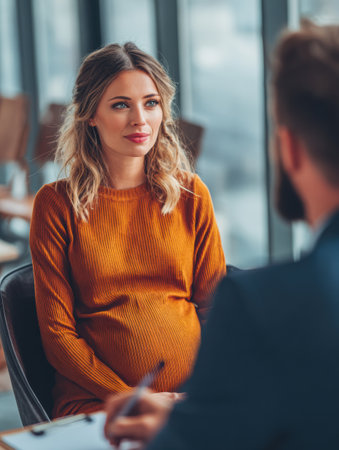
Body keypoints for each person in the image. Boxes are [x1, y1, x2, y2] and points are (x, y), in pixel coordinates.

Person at [104, 21, 339, 450]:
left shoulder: (264, 307)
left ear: (289, 149)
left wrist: (187, 424)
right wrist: (191, 415)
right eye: (121, 104)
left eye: (151, 103)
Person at [29, 42, 226, 418]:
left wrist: (207, 388)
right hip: (99, 401)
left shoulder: (191, 194)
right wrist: (134, 398)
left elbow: (215, 308)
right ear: (91, 115)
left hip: (190, 397)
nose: (140, 119)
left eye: (151, 103)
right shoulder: (56, 205)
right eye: (121, 104)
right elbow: (58, 337)